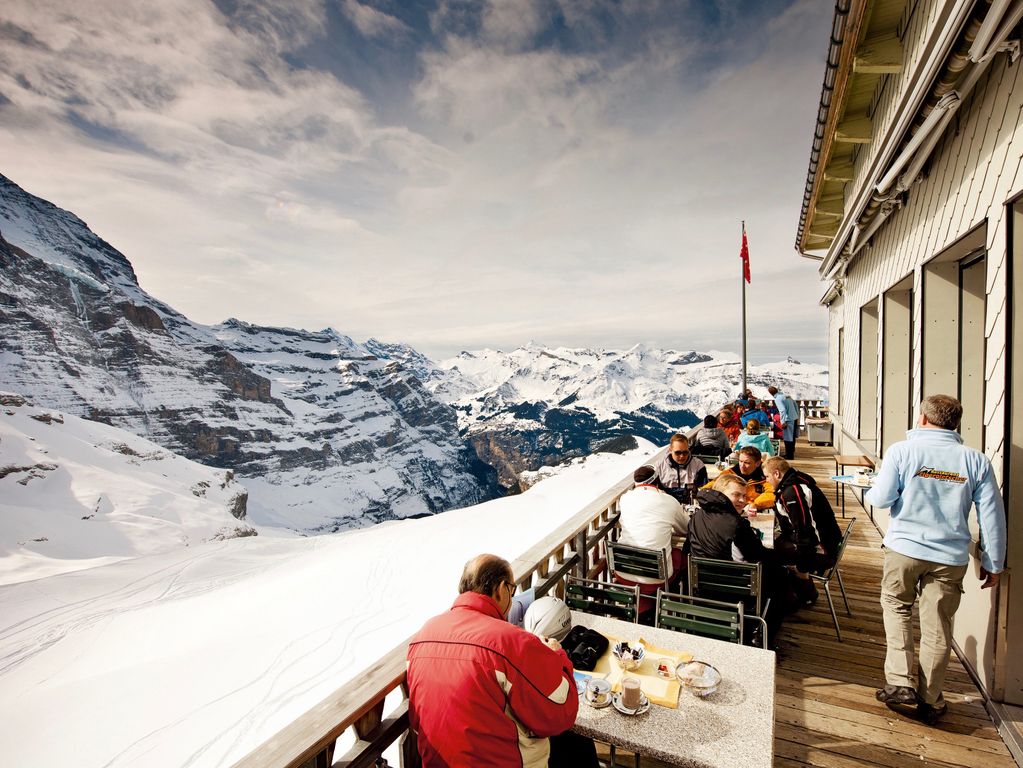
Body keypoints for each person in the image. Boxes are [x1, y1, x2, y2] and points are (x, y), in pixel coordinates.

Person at [865, 395, 1006, 725]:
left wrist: (871, 490)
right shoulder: (976, 461)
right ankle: (931, 698)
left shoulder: (903, 451)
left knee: (897, 607)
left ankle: (900, 682)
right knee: (938, 626)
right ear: (957, 423)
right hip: (949, 555)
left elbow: (883, 497)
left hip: (905, 549)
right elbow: (992, 516)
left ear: (923, 418)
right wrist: (993, 562)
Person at [407, 554, 597, 767]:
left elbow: (417, 721)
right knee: (578, 746)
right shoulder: (510, 642)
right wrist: (558, 656)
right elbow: (561, 713)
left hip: (437, 762)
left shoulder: (422, 636)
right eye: (512, 590)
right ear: (500, 589)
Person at [685, 473, 786, 645]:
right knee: (781, 578)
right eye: (736, 495)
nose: (742, 500)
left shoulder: (698, 515)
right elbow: (759, 555)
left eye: (744, 496)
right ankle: (761, 637)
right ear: (721, 493)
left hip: (700, 584)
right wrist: (784, 559)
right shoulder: (736, 524)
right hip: (731, 588)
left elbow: (687, 548)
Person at [763, 456, 842, 606]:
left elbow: (805, 529)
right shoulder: (794, 482)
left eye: (767, 476)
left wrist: (802, 565)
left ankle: (804, 595)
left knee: (770, 555)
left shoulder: (792, 492)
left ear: (777, 474)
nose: (766, 481)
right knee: (774, 546)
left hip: (823, 550)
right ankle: (795, 590)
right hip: (826, 542)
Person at [615, 465, 690, 589]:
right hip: (656, 579)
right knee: (680, 556)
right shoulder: (668, 501)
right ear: (657, 481)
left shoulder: (625, 498)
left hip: (622, 572)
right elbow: (685, 528)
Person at [702, 446, 775, 513]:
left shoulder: (766, 477)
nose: (742, 466)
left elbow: (772, 494)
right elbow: (709, 488)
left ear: (758, 463)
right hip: (729, 511)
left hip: (754, 513)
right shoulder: (729, 474)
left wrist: (755, 504)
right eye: (740, 461)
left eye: (747, 463)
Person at [655, 434, 708, 503]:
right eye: (678, 453)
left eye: (685, 452)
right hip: (667, 504)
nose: (682, 456)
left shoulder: (698, 465)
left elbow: (704, 490)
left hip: (691, 504)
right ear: (670, 450)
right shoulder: (659, 466)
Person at [768, 385, 800, 459]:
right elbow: (795, 405)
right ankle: (791, 453)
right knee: (792, 437)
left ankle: (789, 455)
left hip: (787, 419)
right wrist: (796, 415)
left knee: (787, 438)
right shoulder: (786, 396)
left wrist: (782, 422)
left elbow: (782, 410)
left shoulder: (778, 399)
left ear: (771, 393)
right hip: (794, 417)